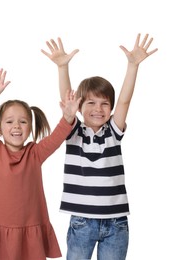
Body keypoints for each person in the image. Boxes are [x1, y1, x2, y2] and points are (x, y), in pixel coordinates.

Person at [41, 34, 158, 260]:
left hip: (116, 223)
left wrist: (133, 66)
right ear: (80, 106)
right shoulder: (73, 131)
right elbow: (68, 102)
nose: (98, 109)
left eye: (105, 103)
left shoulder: (113, 131)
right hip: (82, 222)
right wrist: (62, 68)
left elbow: (124, 100)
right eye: (91, 103)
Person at [0, 69, 79, 260]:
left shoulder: (35, 153)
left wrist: (67, 117)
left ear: (30, 128)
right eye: (9, 122)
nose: (16, 126)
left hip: (27, 230)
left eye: (23, 122)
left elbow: (58, 137)